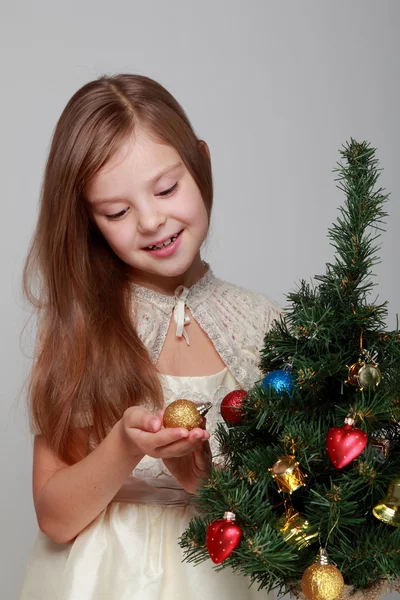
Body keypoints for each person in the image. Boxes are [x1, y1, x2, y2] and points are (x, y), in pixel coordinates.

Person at [19, 73, 281, 600]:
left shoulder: (266, 327)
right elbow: (54, 517)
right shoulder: (81, 327)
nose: (151, 220)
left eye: (166, 189)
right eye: (117, 212)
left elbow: (292, 519)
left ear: (201, 163)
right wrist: (121, 446)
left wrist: (205, 484)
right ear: (89, 220)